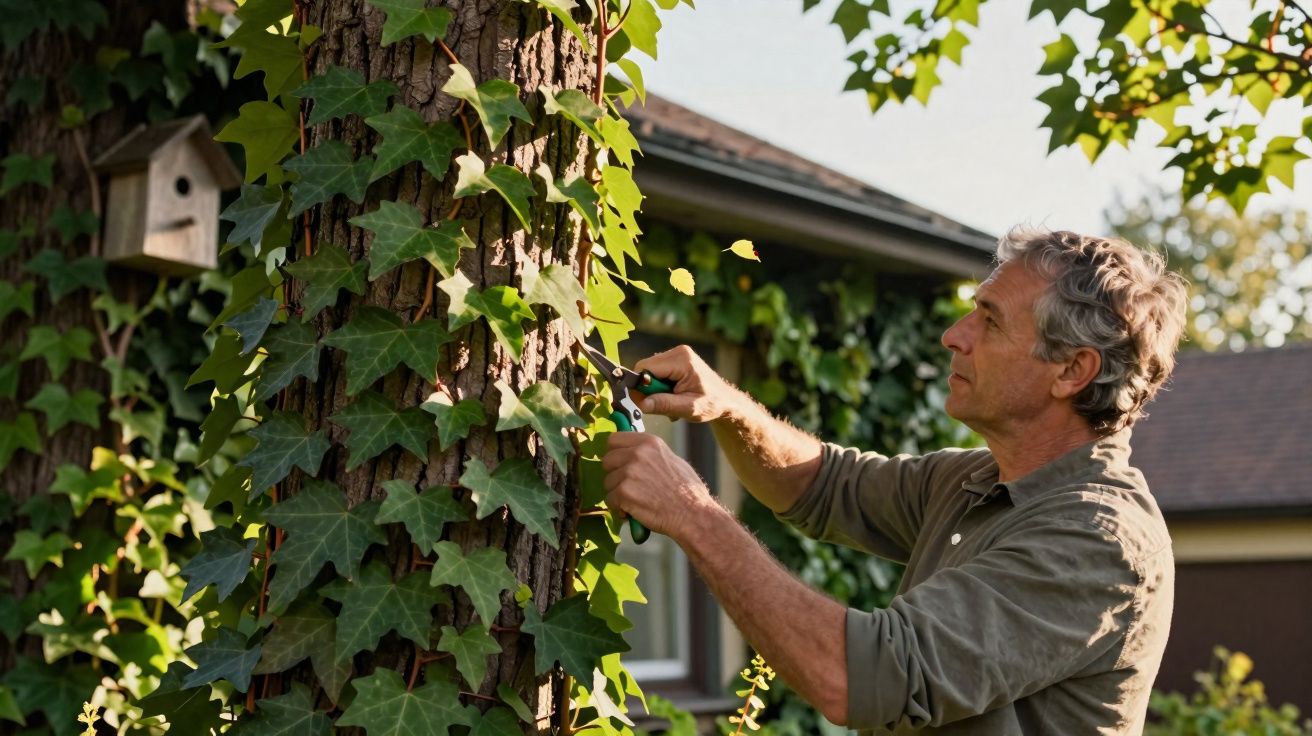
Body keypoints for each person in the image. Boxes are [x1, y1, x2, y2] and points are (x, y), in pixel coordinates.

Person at [601, 228, 1189, 734]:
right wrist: (729, 406)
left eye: (989, 321)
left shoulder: (1096, 542)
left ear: (1071, 370)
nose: (954, 336)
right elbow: (824, 484)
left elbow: (862, 677)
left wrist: (690, 511)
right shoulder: (976, 482)